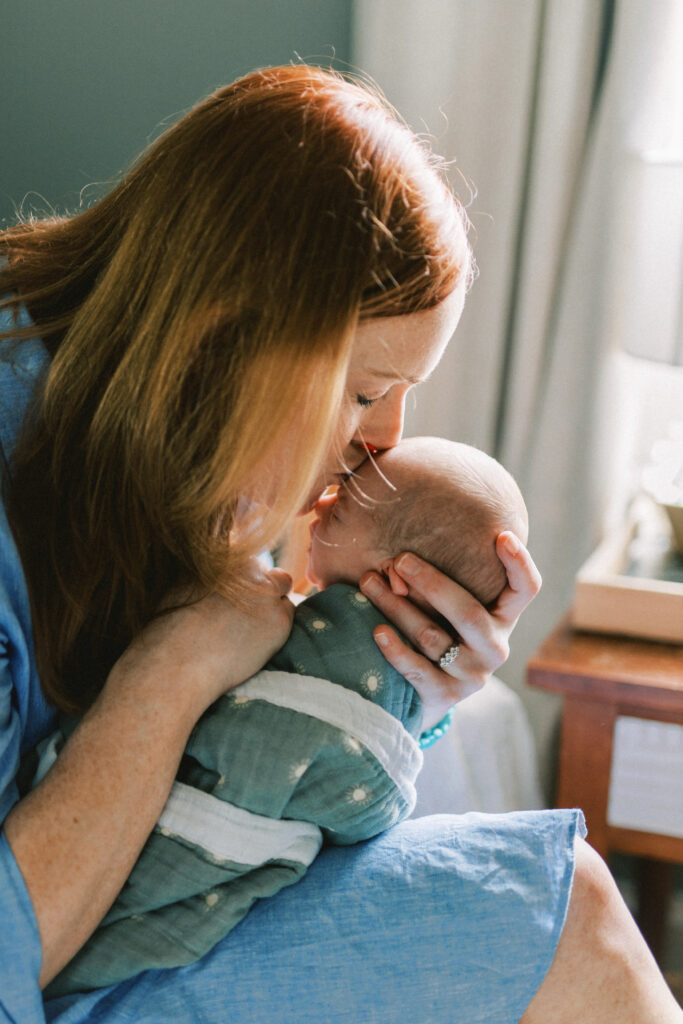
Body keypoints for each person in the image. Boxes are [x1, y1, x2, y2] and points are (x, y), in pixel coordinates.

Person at [0, 64, 678, 1024]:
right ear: (222, 337)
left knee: (571, 903)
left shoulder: (164, 421)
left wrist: (388, 676)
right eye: (362, 391)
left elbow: (241, 755)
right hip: (43, 957)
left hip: (114, 900)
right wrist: (171, 671)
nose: (387, 438)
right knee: (566, 917)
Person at [42, 436, 529, 997]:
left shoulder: (335, 632)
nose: (323, 502)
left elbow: (351, 744)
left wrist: (427, 701)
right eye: (366, 390)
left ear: (399, 577)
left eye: (340, 508)